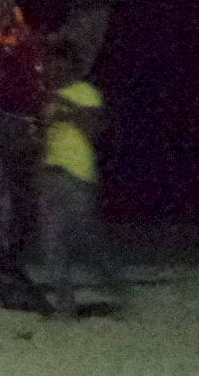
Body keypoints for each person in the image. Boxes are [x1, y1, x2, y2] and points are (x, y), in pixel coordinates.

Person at [36, 41, 129, 319]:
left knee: (85, 242)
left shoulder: (85, 92)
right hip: (50, 173)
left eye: (58, 61)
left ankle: (118, 291)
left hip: (77, 174)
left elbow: (94, 131)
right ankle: (65, 306)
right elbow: (42, 140)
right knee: (52, 246)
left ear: (71, 65)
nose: (52, 67)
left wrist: (67, 107)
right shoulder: (44, 98)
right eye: (49, 62)